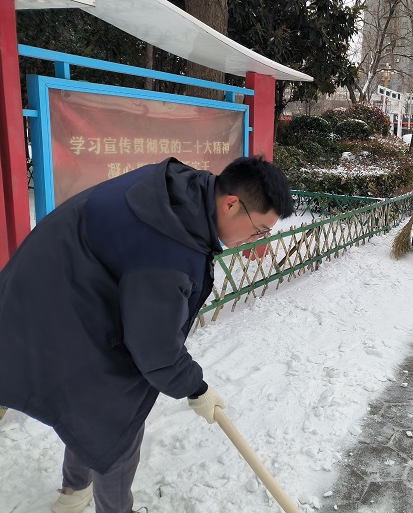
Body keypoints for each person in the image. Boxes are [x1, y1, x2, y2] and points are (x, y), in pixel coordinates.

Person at [0, 156, 294, 513]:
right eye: (259, 229)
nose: (257, 240)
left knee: (89, 408)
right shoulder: (168, 248)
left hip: (53, 296)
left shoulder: (179, 193)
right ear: (231, 203)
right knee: (117, 425)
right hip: (56, 314)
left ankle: (73, 492)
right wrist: (195, 388)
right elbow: (155, 350)